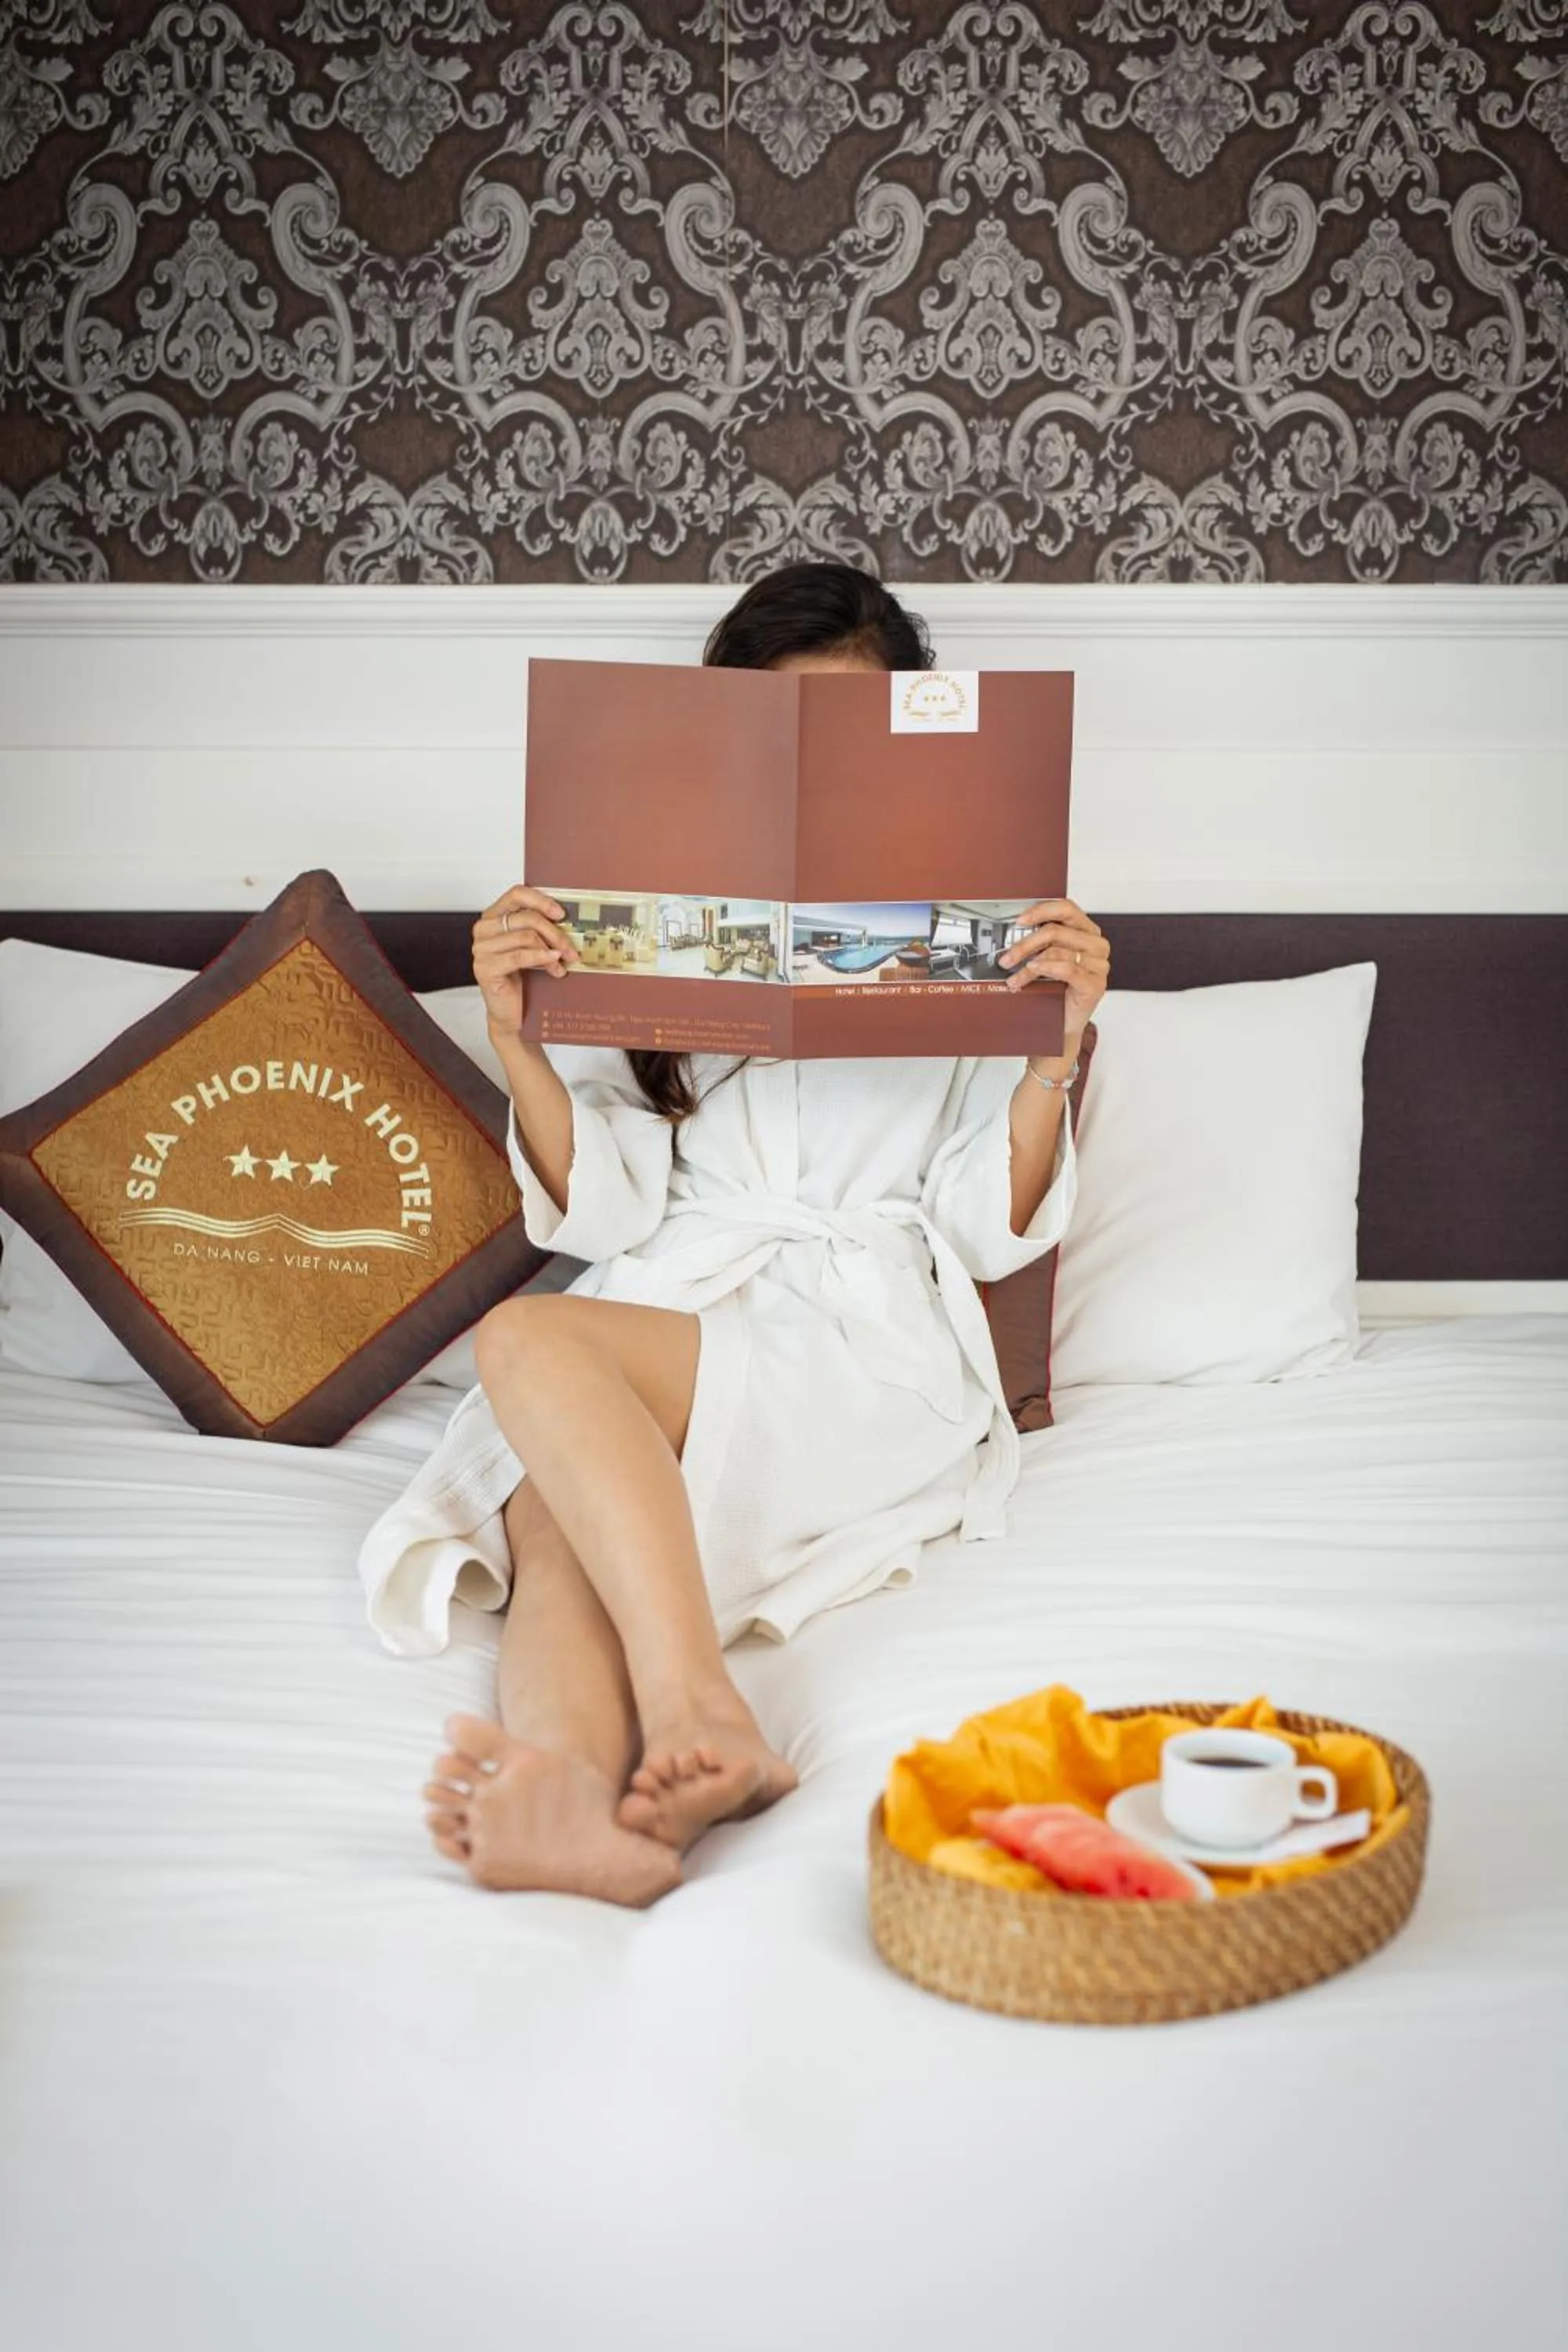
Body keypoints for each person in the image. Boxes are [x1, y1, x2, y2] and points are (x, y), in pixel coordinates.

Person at [358, 562, 1111, 1907]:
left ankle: (700, 1709)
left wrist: (1050, 1058)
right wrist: (520, 1043)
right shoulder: (648, 927)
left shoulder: (985, 937)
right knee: (551, 1517)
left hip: (864, 1335)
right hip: (686, 1293)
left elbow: (980, 1235)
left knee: (531, 1346)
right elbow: (620, 1206)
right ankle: (590, 1808)